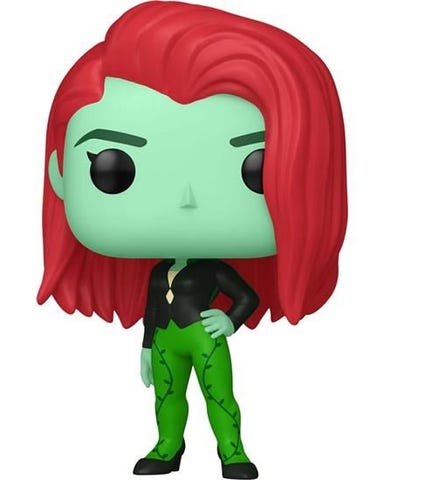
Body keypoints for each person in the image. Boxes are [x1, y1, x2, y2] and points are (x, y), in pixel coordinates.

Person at [38, 2, 347, 478]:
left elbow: (245, 295)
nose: (187, 199)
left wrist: (229, 320)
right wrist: (146, 345)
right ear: (60, 173)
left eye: (256, 171)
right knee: (166, 395)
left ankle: (232, 451)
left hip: (204, 337)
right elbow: (152, 309)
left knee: (219, 395)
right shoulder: (159, 272)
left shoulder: (213, 271)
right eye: (113, 169)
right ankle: (167, 447)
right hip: (166, 338)